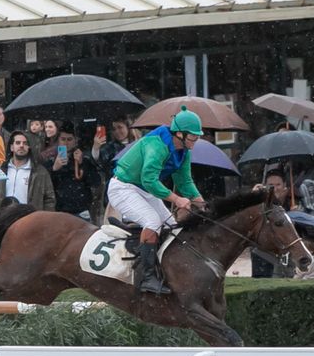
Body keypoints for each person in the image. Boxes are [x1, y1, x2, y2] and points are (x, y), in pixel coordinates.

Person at [108, 107, 206, 296]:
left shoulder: (184, 151)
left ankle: (164, 269)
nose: (196, 140)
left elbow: (184, 181)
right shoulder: (157, 145)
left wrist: (202, 205)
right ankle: (146, 277)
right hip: (123, 188)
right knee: (153, 221)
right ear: (180, 133)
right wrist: (176, 199)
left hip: (143, 190)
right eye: (194, 136)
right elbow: (149, 180)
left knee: (172, 225)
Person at [48, 122, 93, 218]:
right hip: (60, 209)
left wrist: (81, 163)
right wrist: (54, 169)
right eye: (63, 139)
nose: (66, 142)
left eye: (69, 139)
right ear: (58, 140)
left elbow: (94, 182)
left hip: (81, 209)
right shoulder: (51, 159)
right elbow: (47, 185)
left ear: (75, 140)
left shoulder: (83, 158)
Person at [3, 130, 54, 211]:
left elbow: (49, 199)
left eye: (25, 143)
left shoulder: (40, 172)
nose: (21, 146)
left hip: (29, 219)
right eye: (18, 143)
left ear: (29, 147)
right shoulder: (1, 169)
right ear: (11, 147)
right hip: (4, 218)